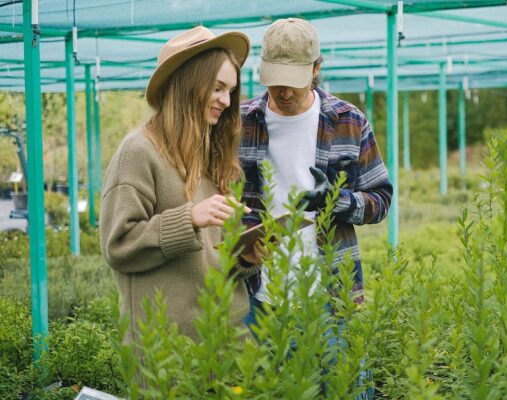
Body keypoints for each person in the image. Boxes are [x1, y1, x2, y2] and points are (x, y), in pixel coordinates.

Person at [99, 26, 252, 342]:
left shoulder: (216, 156)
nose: (226, 100)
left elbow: (212, 258)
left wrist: (246, 256)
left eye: (231, 91)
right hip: (169, 353)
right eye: (218, 87)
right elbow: (118, 246)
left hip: (229, 342)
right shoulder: (139, 151)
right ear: (189, 82)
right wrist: (190, 218)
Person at [238, 16, 392, 325]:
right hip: (255, 293)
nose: (284, 92)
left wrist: (336, 200)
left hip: (330, 294)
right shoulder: (240, 123)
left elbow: (381, 201)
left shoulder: (349, 122)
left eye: (294, 82)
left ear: (316, 69)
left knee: (335, 374)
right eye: (276, 81)